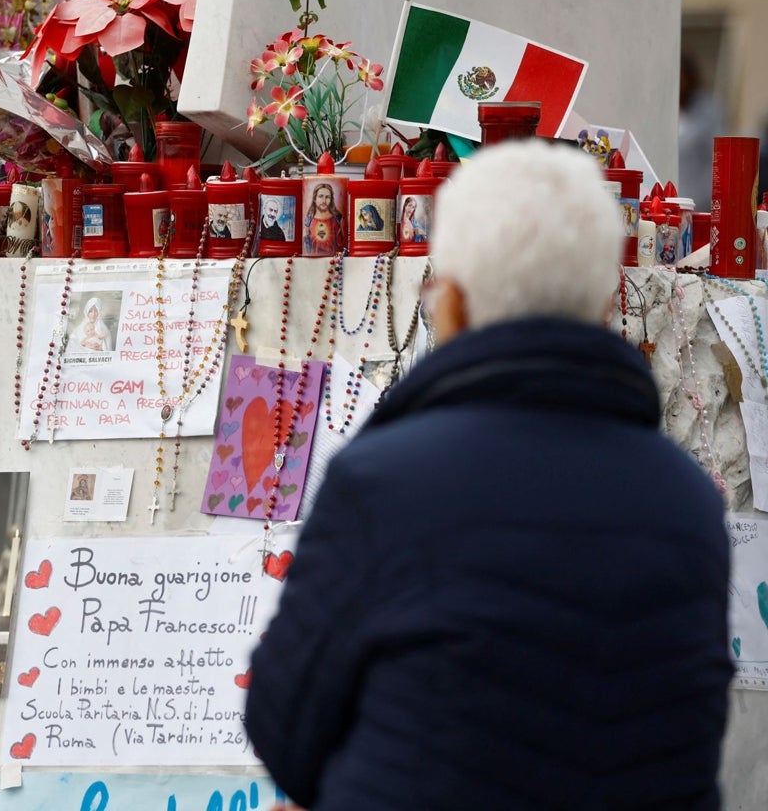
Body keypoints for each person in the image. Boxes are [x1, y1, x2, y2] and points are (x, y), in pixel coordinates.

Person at [245, 140, 731, 810]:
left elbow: (284, 733)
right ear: (601, 306)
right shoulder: (687, 499)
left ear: (455, 305)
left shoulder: (385, 481)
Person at [679, 51, 724, 211]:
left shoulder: (708, 111)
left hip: (699, 202)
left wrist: (707, 197)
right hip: (671, 201)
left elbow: (718, 157)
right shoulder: (666, 110)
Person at [303, 182, 345, 255]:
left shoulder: (338, 219)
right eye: (320, 196)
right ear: (314, 199)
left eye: (327, 197)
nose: (324, 201)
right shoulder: (308, 221)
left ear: (331, 200)